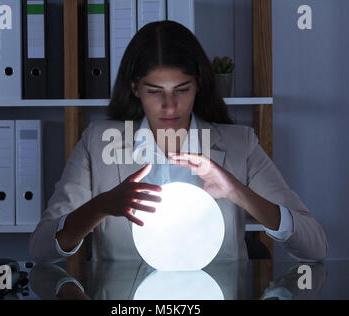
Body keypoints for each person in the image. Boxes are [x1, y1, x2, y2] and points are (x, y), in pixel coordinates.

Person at [29, 21, 328, 263]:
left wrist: (238, 192)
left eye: (181, 90)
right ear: (135, 88)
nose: (170, 106)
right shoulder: (98, 143)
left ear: (199, 84)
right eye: (155, 91)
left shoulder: (240, 144)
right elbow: (41, 249)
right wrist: (101, 206)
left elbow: (315, 247)